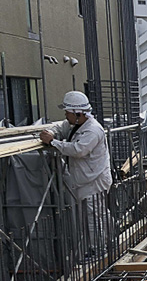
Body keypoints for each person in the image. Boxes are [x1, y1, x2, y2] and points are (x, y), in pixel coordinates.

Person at [40, 91, 112, 257]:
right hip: (85, 179)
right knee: (96, 214)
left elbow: (78, 150)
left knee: (94, 216)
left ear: (78, 114)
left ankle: (98, 249)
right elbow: (60, 126)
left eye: (67, 113)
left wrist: (52, 142)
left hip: (95, 180)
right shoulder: (75, 124)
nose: (65, 116)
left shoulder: (93, 130)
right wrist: (51, 132)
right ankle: (107, 241)